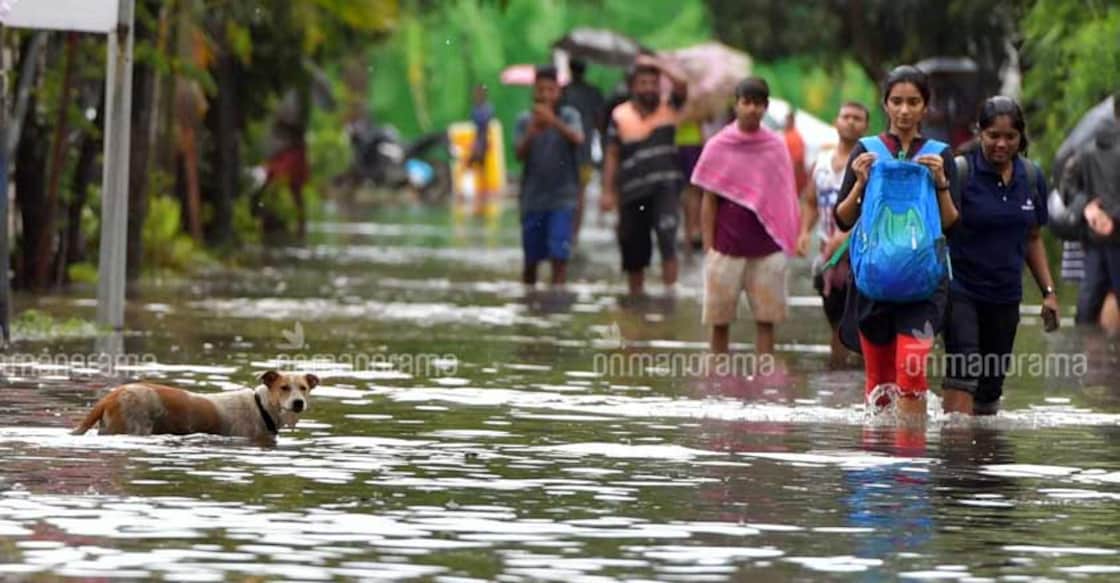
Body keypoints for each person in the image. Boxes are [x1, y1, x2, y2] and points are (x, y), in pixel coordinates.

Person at [833, 66, 961, 422]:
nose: (905, 110)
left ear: (925, 107)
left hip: (924, 284)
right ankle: (878, 465)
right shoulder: (867, 151)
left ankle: (909, 464)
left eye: (913, 102)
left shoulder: (939, 154)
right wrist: (859, 182)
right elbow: (842, 218)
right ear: (885, 105)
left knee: (911, 374)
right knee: (878, 384)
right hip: (874, 281)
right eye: (897, 102)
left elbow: (951, 224)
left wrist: (941, 183)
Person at [941, 96, 1059, 416]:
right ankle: (955, 455)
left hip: (1006, 297)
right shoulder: (962, 172)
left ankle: (982, 456)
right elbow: (941, 228)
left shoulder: (1032, 178)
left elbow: (1033, 238)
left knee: (990, 388)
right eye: (993, 135)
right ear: (980, 133)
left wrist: (1048, 293)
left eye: (1010, 137)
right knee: (964, 369)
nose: (1001, 144)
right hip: (961, 290)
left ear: (1021, 138)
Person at [691, 78, 800, 355]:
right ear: (736, 105)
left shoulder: (775, 146)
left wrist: (791, 237)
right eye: (746, 102)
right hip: (725, 247)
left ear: (766, 108)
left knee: (766, 321)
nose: (752, 109)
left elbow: (785, 197)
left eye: (758, 103)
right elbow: (709, 199)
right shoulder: (718, 145)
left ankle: (765, 385)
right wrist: (708, 247)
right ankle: (717, 383)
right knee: (718, 322)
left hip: (766, 249)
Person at [601, 55, 688, 296]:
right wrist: (607, 191)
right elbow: (611, 154)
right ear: (632, 87)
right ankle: (636, 300)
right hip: (631, 191)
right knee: (633, 249)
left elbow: (682, 85)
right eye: (643, 83)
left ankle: (671, 295)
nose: (649, 88)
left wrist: (660, 65)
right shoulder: (620, 115)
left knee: (668, 238)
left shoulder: (670, 106)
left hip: (666, 188)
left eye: (653, 82)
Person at [796, 101, 871, 367]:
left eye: (857, 118)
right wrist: (804, 231)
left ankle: (863, 378)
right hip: (829, 256)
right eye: (846, 116)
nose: (850, 122)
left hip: (862, 256)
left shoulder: (868, 165)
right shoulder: (821, 163)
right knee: (835, 321)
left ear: (866, 126)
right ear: (836, 121)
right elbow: (810, 201)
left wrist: (848, 233)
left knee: (863, 321)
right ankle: (837, 377)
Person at [514, 66, 585, 287]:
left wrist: (553, 121)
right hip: (532, 200)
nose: (545, 95)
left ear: (559, 92)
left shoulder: (569, 115)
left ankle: (557, 303)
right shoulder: (525, 120)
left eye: (550, 89)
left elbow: (578, 139)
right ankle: (530, 302)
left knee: (559, 256)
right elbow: (518, 154)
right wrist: (532, 130)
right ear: (534, 92)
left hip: (563, 198)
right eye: (540, 90)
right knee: (530, 260)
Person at [1077, 93, 1120, 333]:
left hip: (1092, 233)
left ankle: (1086, 356)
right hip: (1113, 232)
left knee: (1089, 298)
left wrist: (1090, 210)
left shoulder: (1085, 147)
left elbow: (1068, 183)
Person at [560, 59, 606, 247]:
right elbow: (600, 121)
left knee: (565, 192)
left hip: (563, 152)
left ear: (570, 69)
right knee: (580, 193)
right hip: (584, 151)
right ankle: (575, 235)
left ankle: (565, 231)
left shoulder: (563, 92)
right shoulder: (593, 92)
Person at [784, 110, 809, 196]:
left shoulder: (795, 137)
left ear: (792, 121)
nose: (786, 122)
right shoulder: (786, 135)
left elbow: (798, 162)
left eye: (787, 120)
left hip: (794, 182)